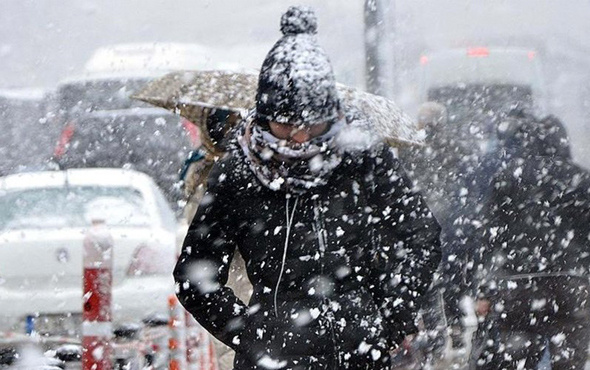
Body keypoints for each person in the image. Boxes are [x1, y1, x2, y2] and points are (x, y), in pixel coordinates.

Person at [174, 6, 441, 370]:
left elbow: (421, 236)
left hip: (360, 352)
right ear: (264, 115)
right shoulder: (238, 173)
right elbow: (194, 276)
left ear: (330, 114)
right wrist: (252, 333)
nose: (300, 137)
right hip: (273, 356)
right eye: (285, 124)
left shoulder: (362, 158)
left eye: (312, 125)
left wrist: (392, 315)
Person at [469, 112, 590, 369]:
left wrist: (484, 289)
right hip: (570, 283)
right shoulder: (579, 179)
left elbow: (488, 236)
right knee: (568, 356)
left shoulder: (506, 178)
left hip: (516, 285)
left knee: (517, 354)